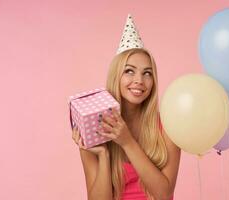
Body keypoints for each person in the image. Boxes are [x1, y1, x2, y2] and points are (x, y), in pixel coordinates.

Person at [72, 14, 181, 200]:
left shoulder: (169, 126)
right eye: (129, 71)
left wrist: (127, 141)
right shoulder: (93, 128)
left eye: (147, 73)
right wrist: (103, 155)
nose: (139, 81)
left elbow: (164, 194)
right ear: (117, 76)